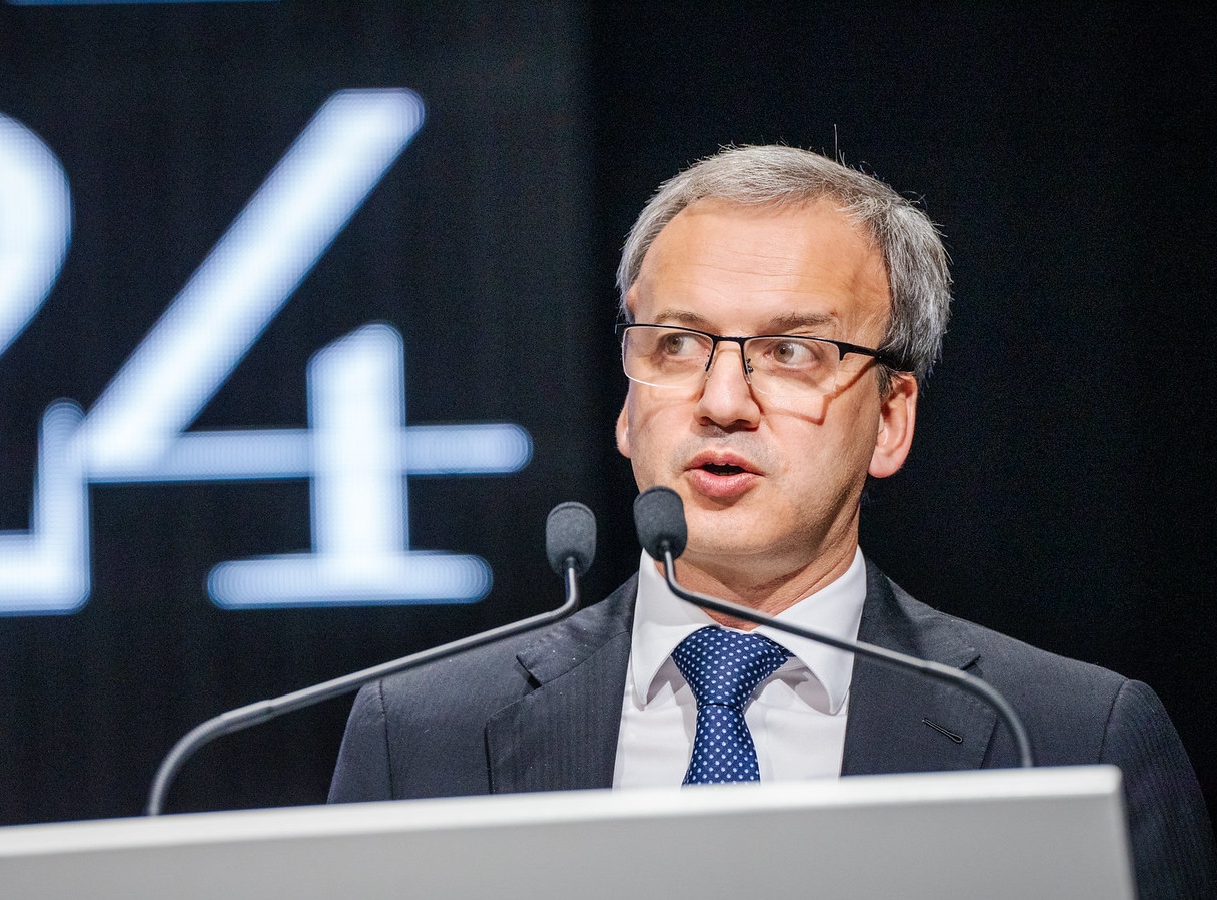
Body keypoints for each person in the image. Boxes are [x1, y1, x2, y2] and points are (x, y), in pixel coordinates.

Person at [327, 146, 1216, 899]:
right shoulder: (418, 738)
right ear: (630, 406)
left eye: (790, 353)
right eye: (675, 345)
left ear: (892, 418)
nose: (721, 402)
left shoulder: (1065, 738)